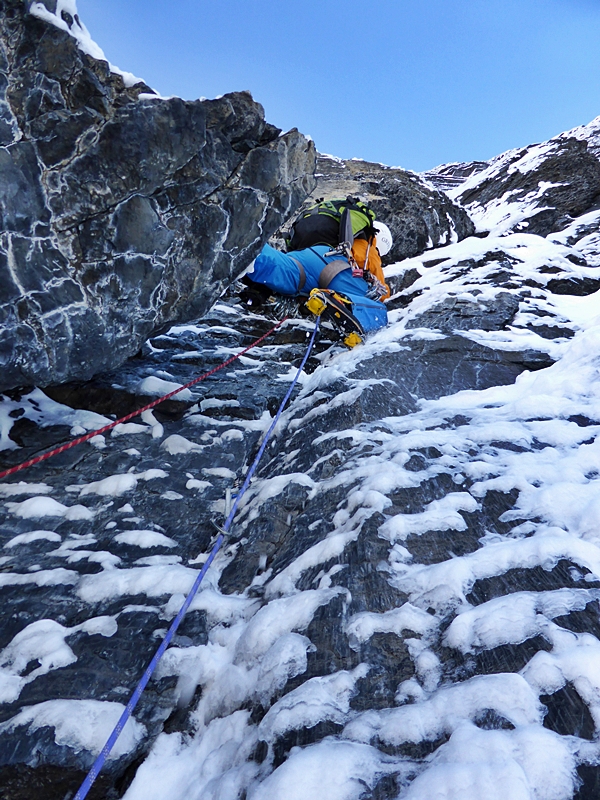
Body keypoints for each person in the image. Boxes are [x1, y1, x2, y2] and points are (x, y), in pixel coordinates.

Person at [241, 198, 394, 348]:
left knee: (280, 267)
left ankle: (243, 246)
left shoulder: (336, 236)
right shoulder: (368, 247)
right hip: (335, 267)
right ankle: (336, 300)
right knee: (378, 309)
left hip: (305, 257)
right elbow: (380, 292)